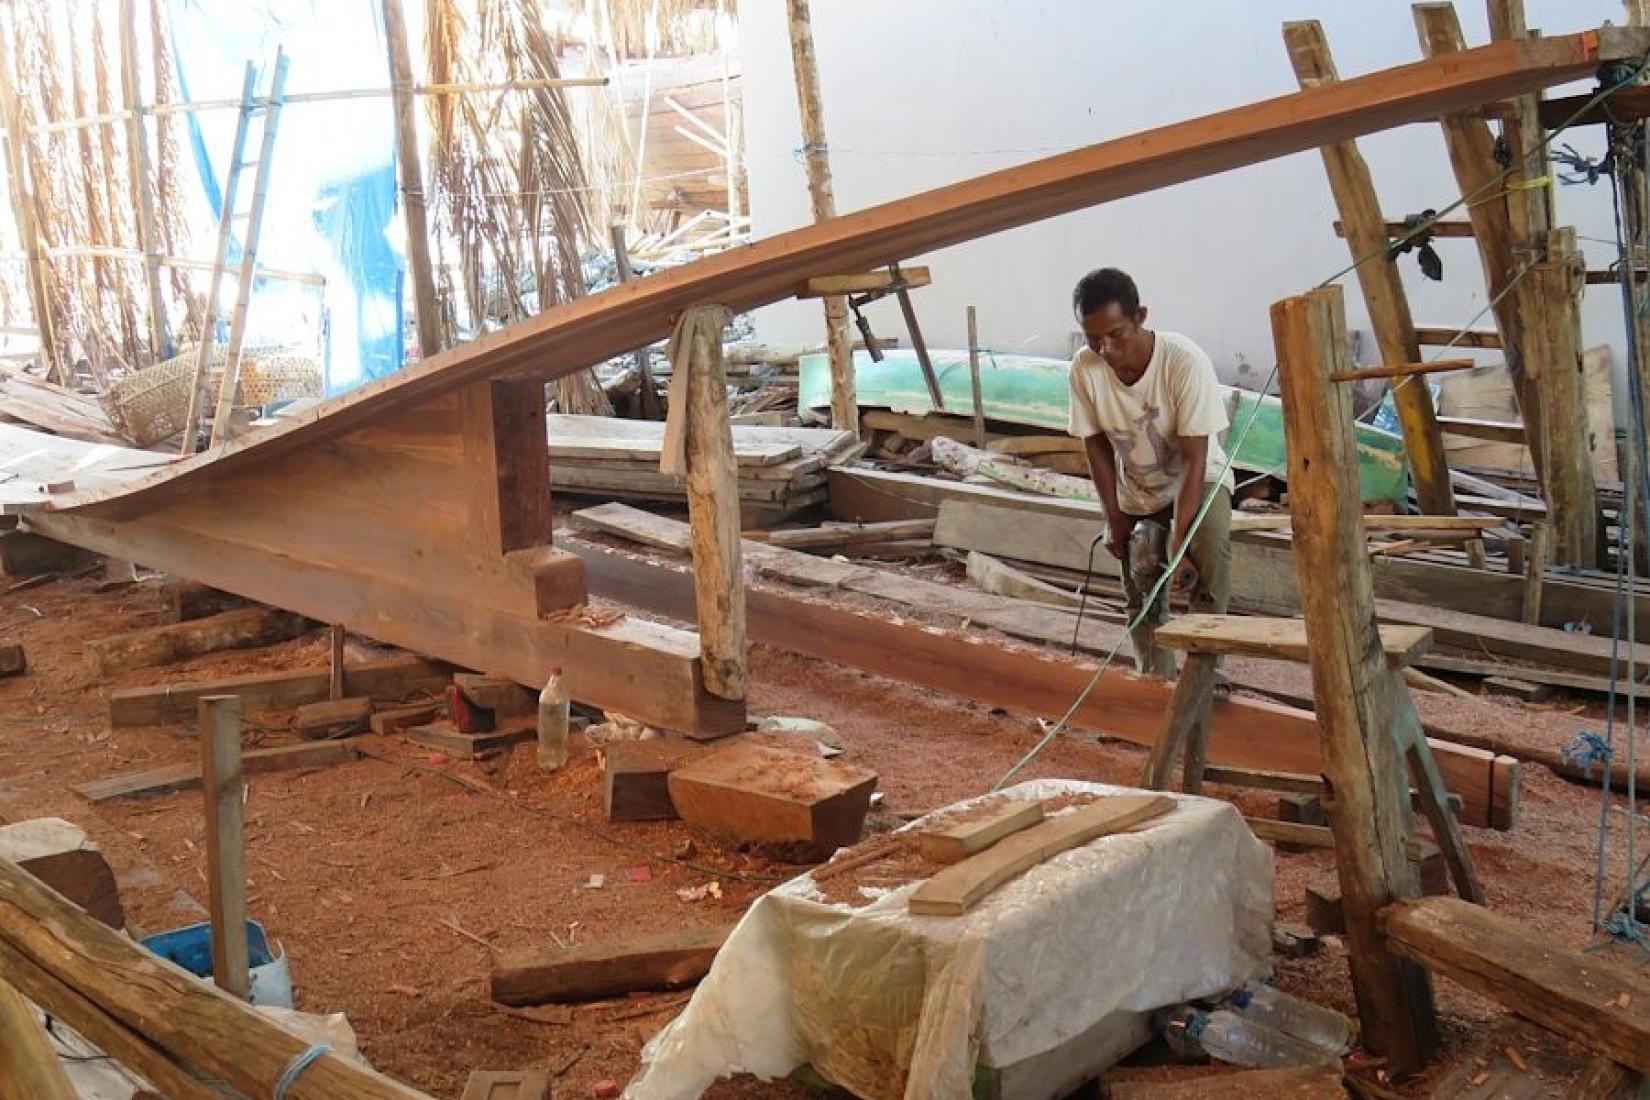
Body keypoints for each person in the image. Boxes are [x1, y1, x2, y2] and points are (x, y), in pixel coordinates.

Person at [1066, 267, 1233, 679]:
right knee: (1140, 583)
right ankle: (1156, 685)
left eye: (1115, 334)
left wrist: (1180, 542)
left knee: (1208, 558)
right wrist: (1114, 519)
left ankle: (1203, 681)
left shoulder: (1183, 361)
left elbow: (1195, 458)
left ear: (1140, 316)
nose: (1104, 348)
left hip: (1198, 478)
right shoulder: (1084, 369)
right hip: (1138, 487)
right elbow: (1096, 444)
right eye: (1092, 338)